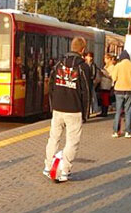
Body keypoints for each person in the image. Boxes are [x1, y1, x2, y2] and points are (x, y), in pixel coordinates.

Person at [43, 36, 91, 182]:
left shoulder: (58, 64)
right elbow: (87, 92)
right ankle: (65, 170)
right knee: (72, 141)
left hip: (58, 108)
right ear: (82, 50)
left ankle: (48, 166)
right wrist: (85, 113)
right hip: (74, 109)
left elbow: (51, 86)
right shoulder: (83, 67)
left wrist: (53, 106)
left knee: (54, 138)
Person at [111, 50, 131, 138]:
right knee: (128, 111)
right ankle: (128, 132)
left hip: (119, 90)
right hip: (129, 91)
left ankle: (116, 131)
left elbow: (114, 77)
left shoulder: (118, 66)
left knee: (118, 111)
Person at [98, 53, 115, 117]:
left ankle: (105, 112)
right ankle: (102, 111)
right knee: (102, 98)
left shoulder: (112, 67)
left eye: (106, 59)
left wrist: (104, 73)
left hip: (107, 85)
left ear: (109, 59)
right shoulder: (105, 66)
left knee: (106, 98)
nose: (105, 60)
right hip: (102, 84)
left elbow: (112, 76)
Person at [84, 51, 101, 118]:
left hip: (90, 82)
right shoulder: (83, 64)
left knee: (91, 97)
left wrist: (91, 79)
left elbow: (93, 74)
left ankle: (90, 111)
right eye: (88, 56)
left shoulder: (93, 65)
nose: (89, 58)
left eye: (90, 56)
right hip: (85, 82)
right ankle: (87, 111)